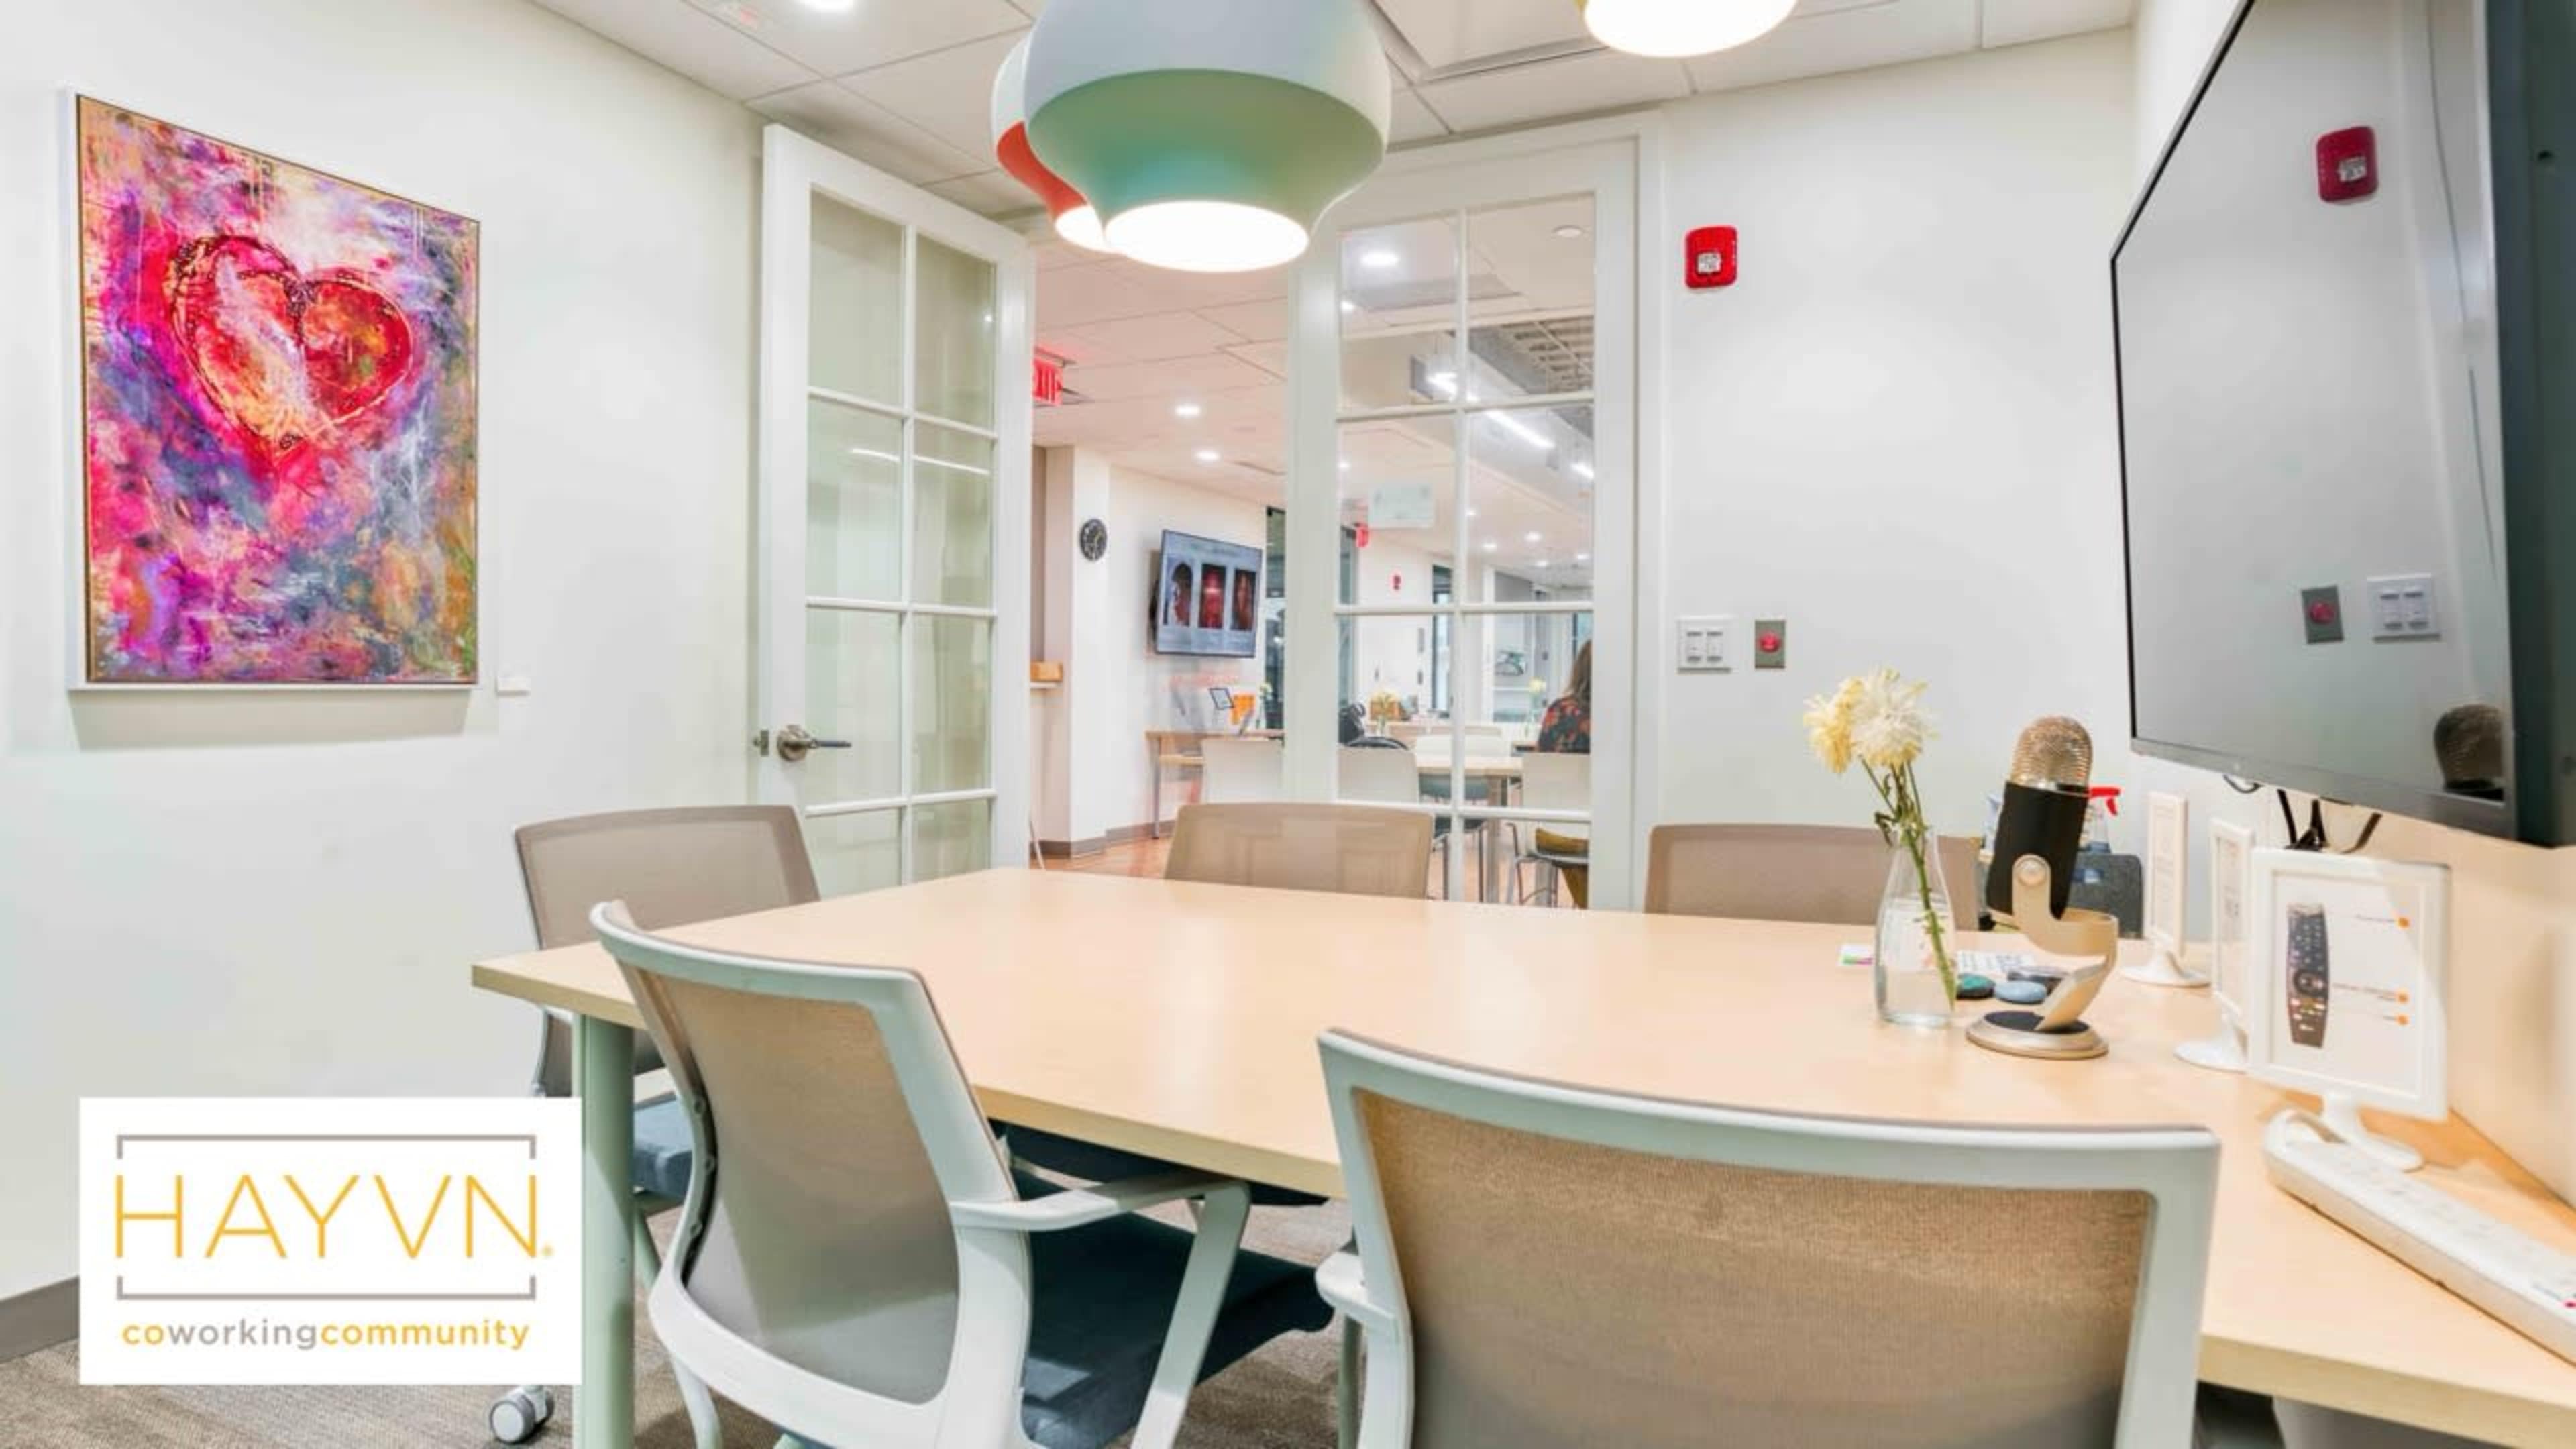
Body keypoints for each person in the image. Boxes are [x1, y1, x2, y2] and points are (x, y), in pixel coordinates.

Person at [1532, 639, 1591, 907]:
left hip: (1551, 830)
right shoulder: (1624, 714)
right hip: (1607, 833)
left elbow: (1540, 766)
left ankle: (1591, 907)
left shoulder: (1559, 711)